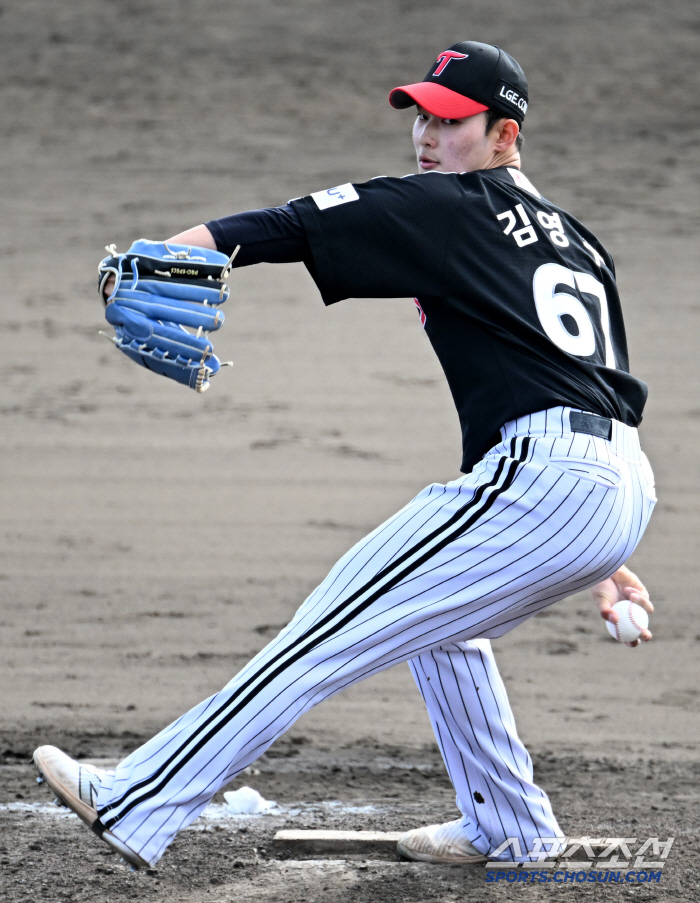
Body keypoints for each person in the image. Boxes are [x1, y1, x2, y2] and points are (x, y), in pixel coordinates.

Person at [34, 40, 656, 869]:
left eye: (450, 119)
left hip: (550, 481)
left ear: (505, 133)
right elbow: (581, 382)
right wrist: (605, 557)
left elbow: (285, 226)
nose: (427, 136)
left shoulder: (452, 206)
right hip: (609, 482)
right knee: (443, 624)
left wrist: (151, 256)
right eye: (420, 115)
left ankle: (140, 796)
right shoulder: (579, 241)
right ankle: (509, 823)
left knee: (326, 627)